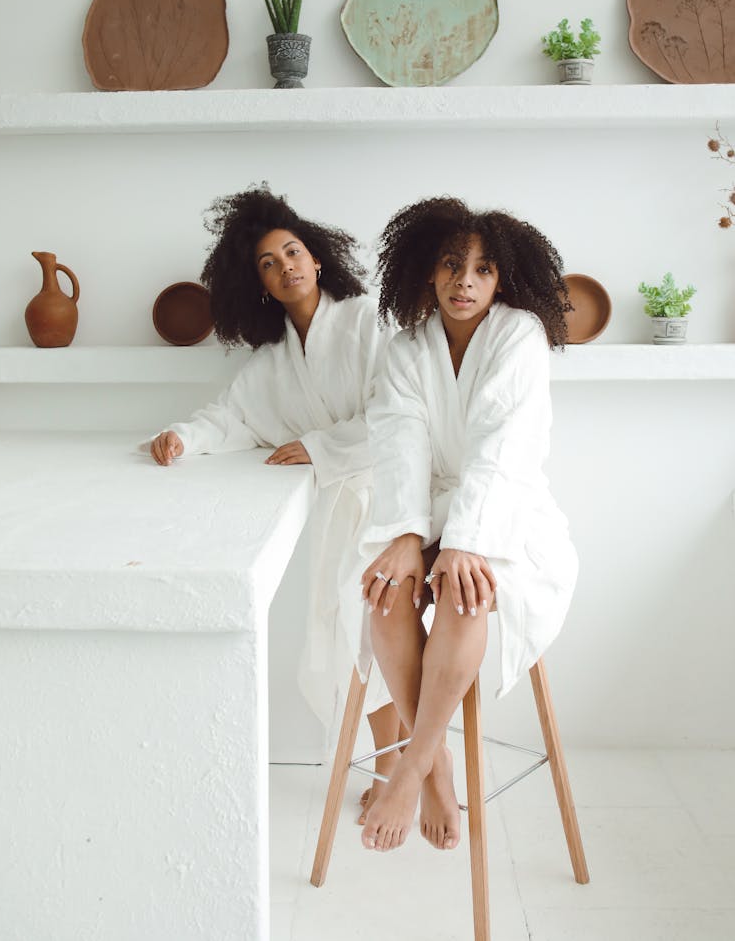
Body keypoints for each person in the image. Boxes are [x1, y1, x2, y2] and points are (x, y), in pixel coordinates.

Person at [145, 183, 400, 817]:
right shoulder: (274, 361)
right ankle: (391, 763)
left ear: (317, 258)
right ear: (260, 284)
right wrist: (184, 437)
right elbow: (234, 417)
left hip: (393, 506)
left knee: (380, 633)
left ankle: (400, 767)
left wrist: (320, 445)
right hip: (340, 514)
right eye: (268, 263)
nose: (285, 266)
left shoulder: (369, 321)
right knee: (350, 636)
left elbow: (400, 414)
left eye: (292, 251)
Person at [357, 197, 578, 853]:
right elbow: (398, 442)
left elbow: (502, 446)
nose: (465, 282)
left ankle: (411, 765)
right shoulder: (404, 351)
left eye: (482, 269)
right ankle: (436, 763)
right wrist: (404, 535)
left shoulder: (519, 336)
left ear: (503, 278)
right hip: (423, 511)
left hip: (505, 513)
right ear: (427, 270)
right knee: (385, 592)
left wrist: (464, 543)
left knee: (464, 589)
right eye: (452, 265)